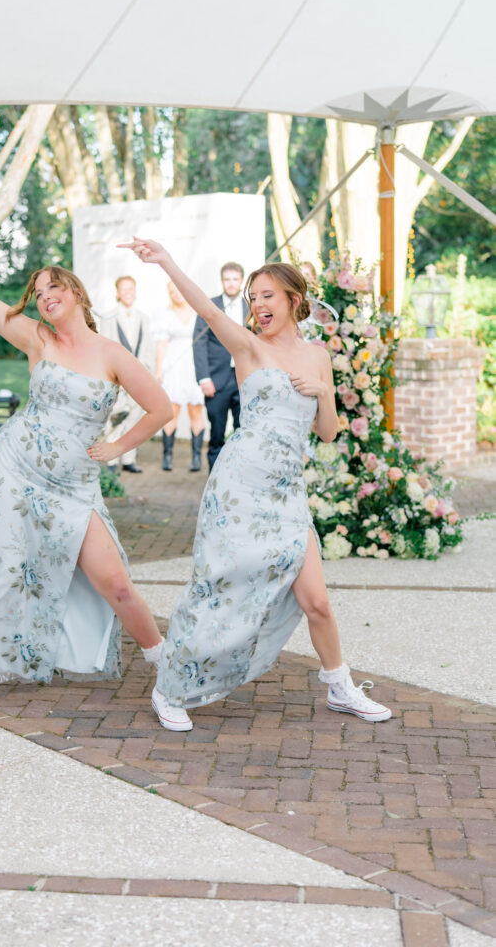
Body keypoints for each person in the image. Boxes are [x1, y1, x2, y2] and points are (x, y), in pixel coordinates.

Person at [119, 238, 392, 732]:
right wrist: (166, 262)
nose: (258, 305)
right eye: (253, 297)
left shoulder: (317, 356)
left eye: (268, 295)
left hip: (288, 490)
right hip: (241, 485)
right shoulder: (247, 346)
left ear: (293, 299)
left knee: (317, 601)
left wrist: (324, 391)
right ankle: (171, 687)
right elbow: (203, 305)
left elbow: (327, 432)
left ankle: (339, 685)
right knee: (218, 588)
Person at [0, 247, 171, 706]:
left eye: (53, 288)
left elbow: (161, 407)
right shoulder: (37, 339)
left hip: (74, 486)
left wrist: (120, 446)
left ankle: (163, 659)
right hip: (14, 472)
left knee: (115, 580)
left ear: (76, 292)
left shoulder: (112, 354)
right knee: (3, 568)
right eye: (37, 293)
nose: (44, 297)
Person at [192, 262, 245, 471]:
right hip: (216, 380)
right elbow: (199, 342)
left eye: (235, 279)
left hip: (243, 378)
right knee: (217, 433)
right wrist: (204, 378)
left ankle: (240, 475)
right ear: (222, 281)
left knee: (244, 431)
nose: (231, 283)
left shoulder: (250, 306)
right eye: (227, 279)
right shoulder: (209, 305)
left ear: (241, 280)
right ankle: (215, 477)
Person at [99, 275, 154, 474]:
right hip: (117, 378)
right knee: (115, 416)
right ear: (117, 293)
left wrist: (150, 376)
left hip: (139, 378)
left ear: (135, 291)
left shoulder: (144, 318)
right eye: (124, 289)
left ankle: (129, 459)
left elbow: (148, 349)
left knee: (135, 417)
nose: (128, 292)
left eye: (131, 288)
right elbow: (104, 349)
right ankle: (112, 461)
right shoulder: (108, 317)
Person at [154, 281, 206, 472]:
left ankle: (196, 458)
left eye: (179, 290)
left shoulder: (198, 312)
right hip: (173, 366)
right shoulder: (165, 315)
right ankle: (167, 457)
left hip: (195, 365)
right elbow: (161, 344)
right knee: (172, 411)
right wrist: (158, 370)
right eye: (172, 292)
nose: (177, 295)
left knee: (195, 410)